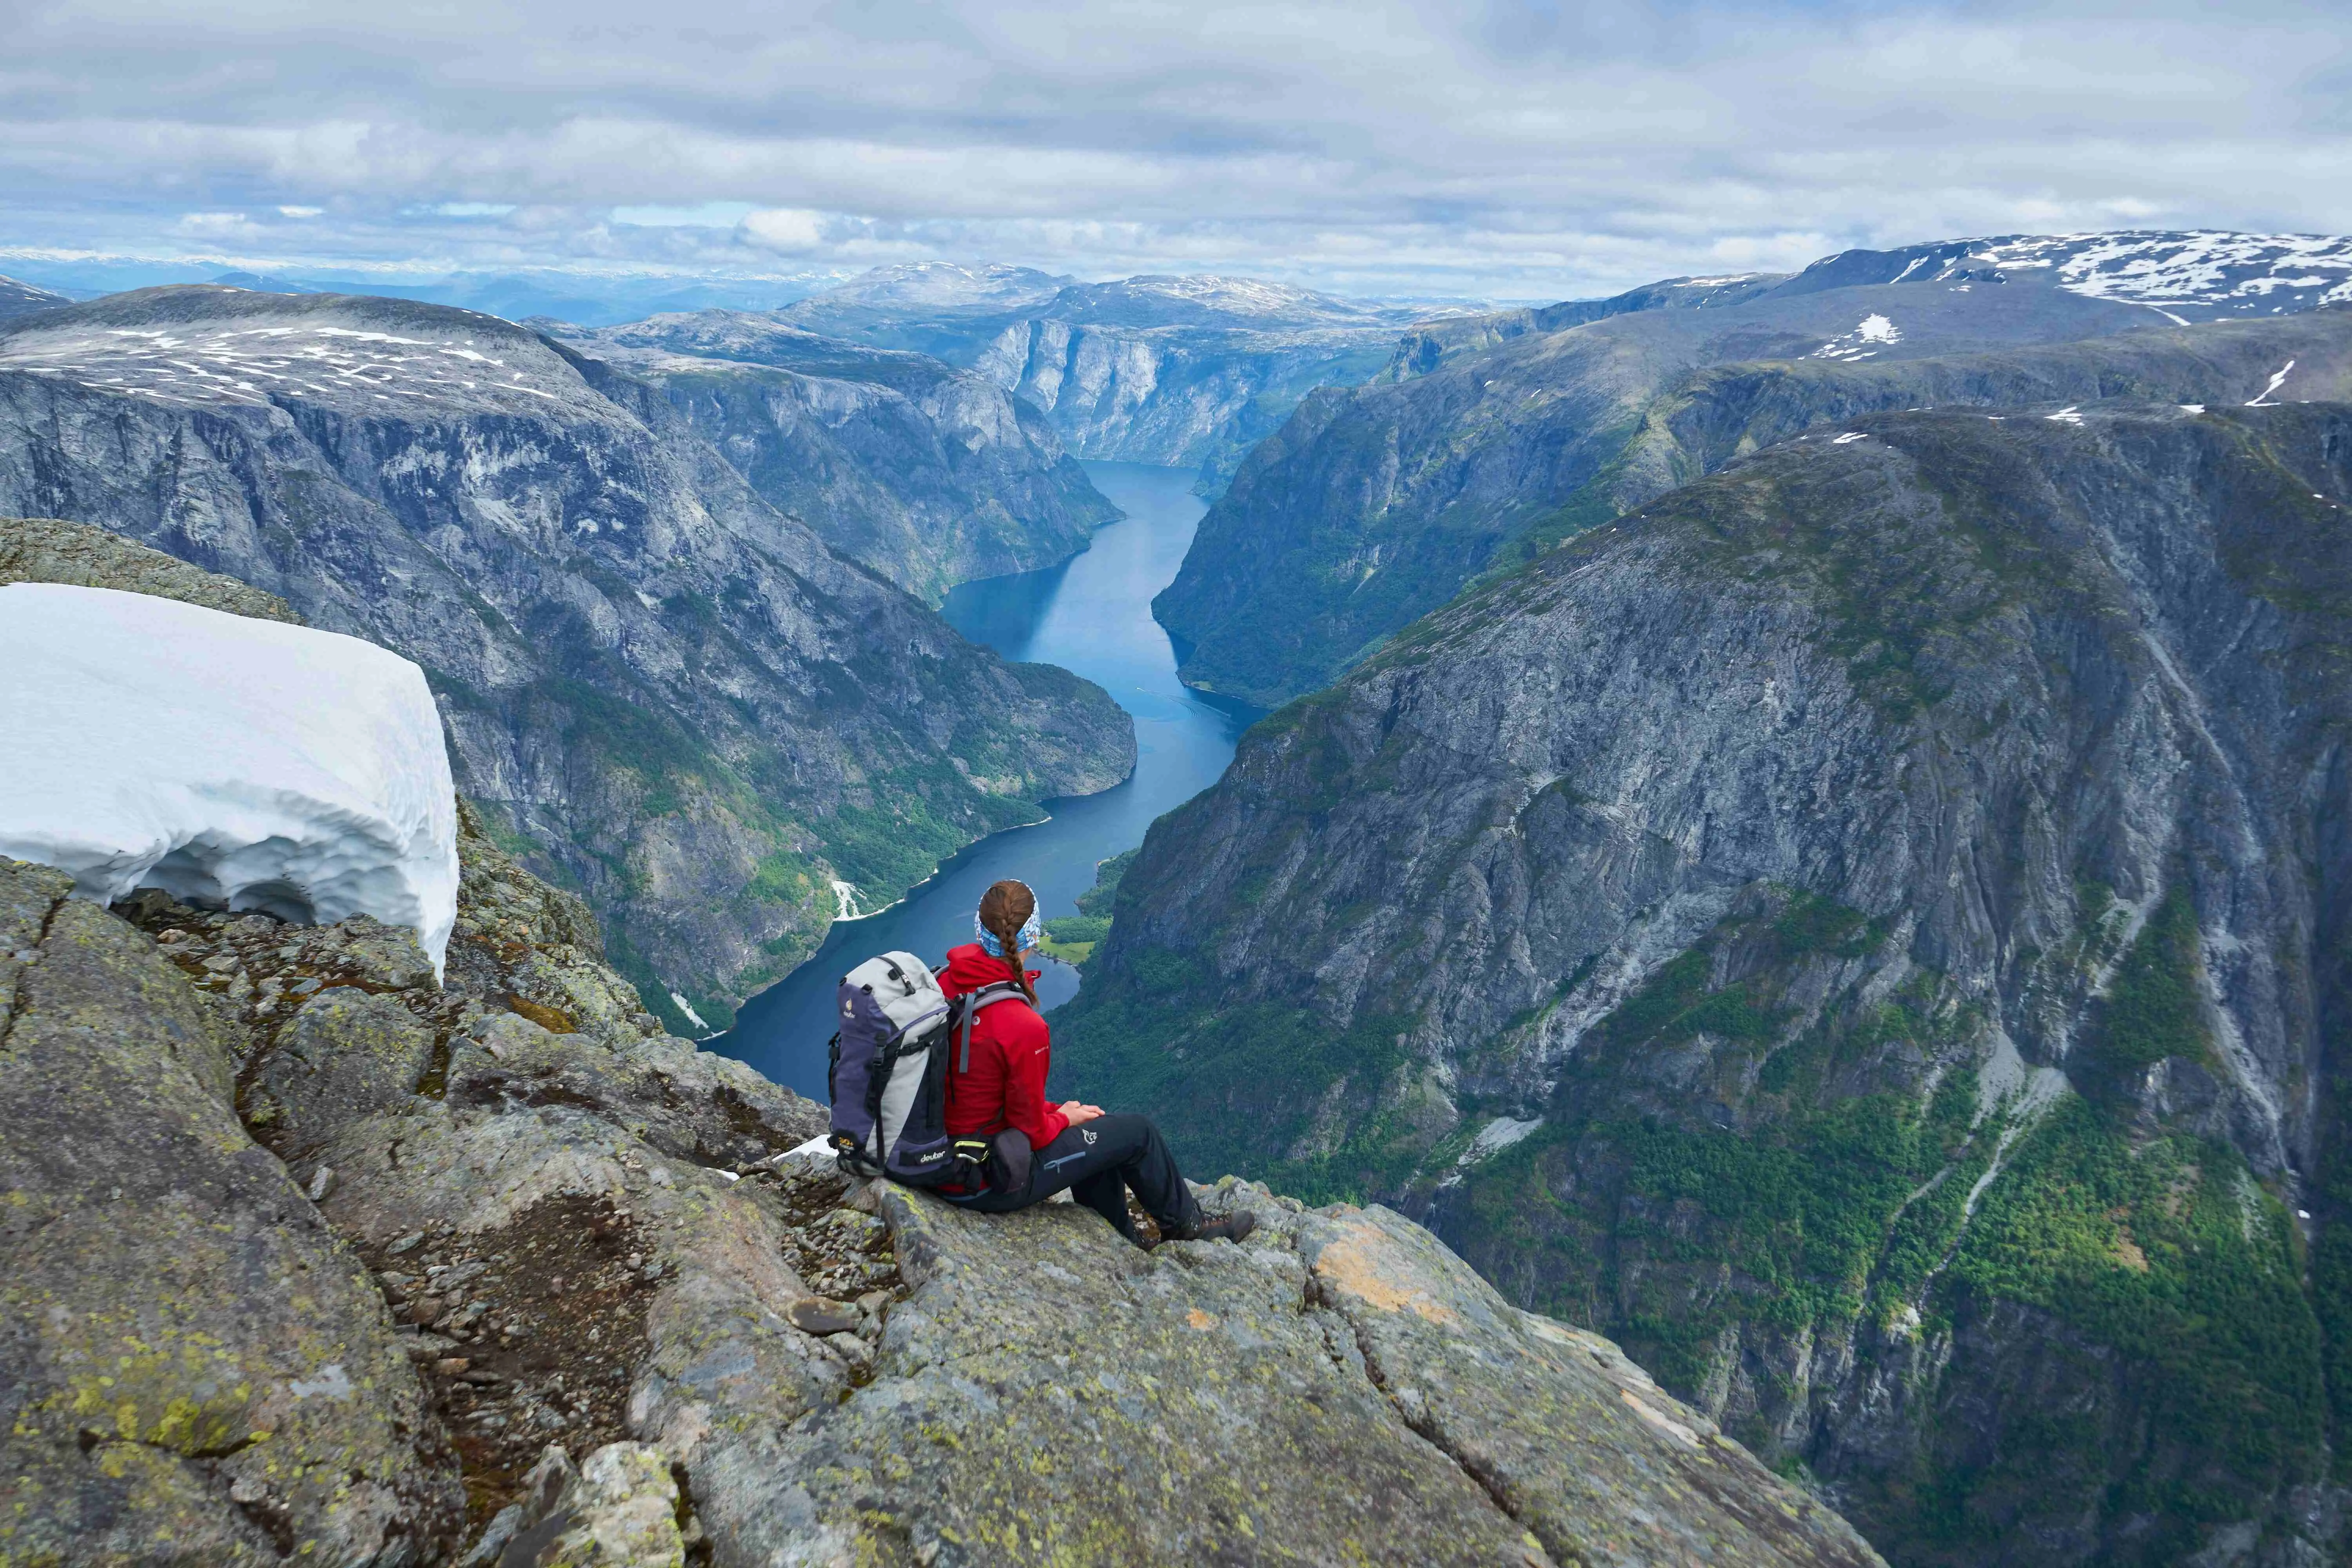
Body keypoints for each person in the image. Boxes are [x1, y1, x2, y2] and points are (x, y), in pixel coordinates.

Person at [937, 878, 1255, 1248]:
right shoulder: (1023, 1025)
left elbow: (978, 1089)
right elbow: (1032, 1132)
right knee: (1138, 1134)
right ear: (1034, 936)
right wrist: (1061, 1118)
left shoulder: (945, 982)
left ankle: (1123, 1241)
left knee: (1094, 1129)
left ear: (980, 929)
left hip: (941, 1155)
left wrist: (1062, 1113)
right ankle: (1189, 1225)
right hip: (983, 1179)